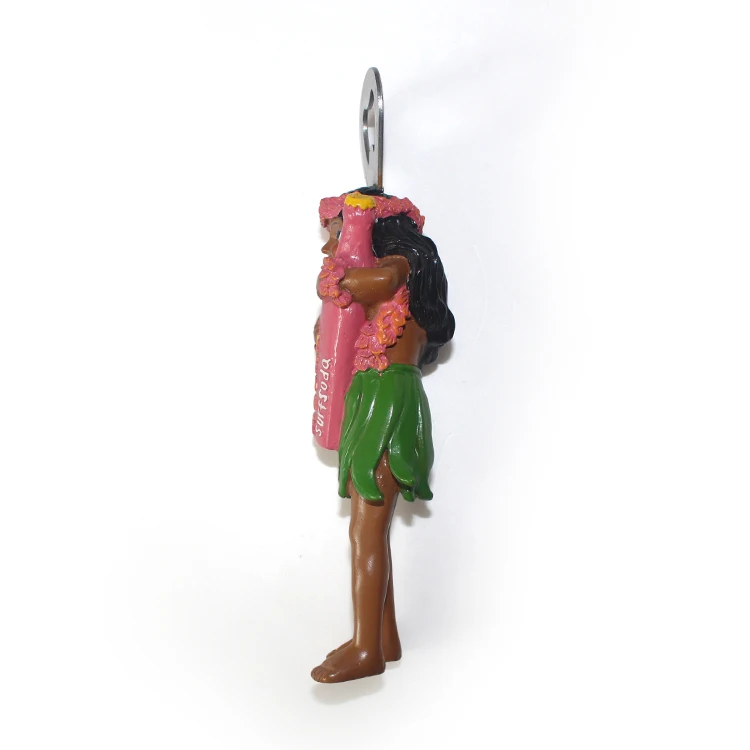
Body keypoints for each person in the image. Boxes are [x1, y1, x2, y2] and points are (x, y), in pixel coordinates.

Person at [312, 192, 455, 683]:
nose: (329, 248)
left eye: (337, 234)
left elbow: (368, 282)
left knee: (366, 529)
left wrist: (336, 278)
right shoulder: (392, 291)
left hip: (388, 399)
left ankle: (365, 651)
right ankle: (383, 638)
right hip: (372, 391)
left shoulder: (397, 269)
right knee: (372, 527)